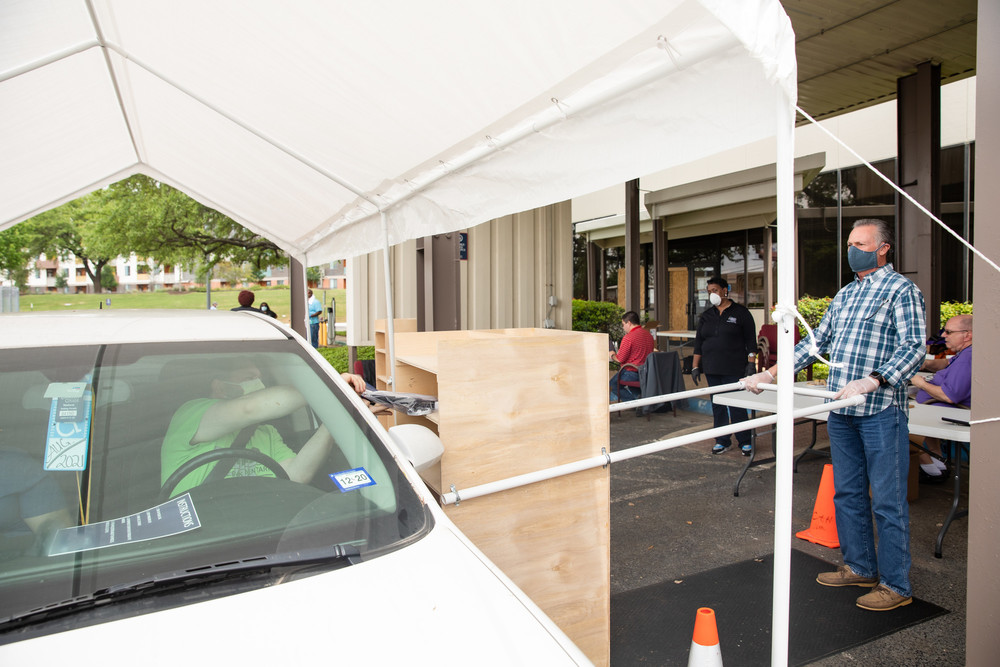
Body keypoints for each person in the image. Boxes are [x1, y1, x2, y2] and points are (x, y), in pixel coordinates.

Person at [743, 218, 925, 612]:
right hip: (840, 410)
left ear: (882, 248)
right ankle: (860, 566)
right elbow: (814, 344)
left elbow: (913, 348)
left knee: (888, 502)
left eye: (860, 242)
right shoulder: (845, 295)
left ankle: (896, 585)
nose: (852, 249)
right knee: (848, 492)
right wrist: (770, 372)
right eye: (850, 242)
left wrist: (874, 381)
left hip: (879, 410)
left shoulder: (901, 290)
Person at [161, 359, 367, 497]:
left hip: (257, 531)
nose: (259, 384)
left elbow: (296, 475)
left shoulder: (266, 433)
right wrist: (333, 388)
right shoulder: (190, 414)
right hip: (198, 539)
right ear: (220, 386)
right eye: (249, 379)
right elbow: (248, 408)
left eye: (260, 378)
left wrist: (337, 413)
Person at [691, 276, 758, 455]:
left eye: (715, 290)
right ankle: (722, 440)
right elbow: (699, 343)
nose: (712, 294)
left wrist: (751, 364)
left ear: (724, 290)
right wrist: (695, 366)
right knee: (718, 405)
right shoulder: (706, 316)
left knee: (736, 405)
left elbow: (751, 341)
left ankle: (745, 440)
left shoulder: (741, 313)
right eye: (709, 291)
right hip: (712, 368)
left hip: (735, 367)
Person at [909, 314, 972, 481]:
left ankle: (931, 468)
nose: (943, 335)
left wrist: (920, 383)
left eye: (949, 332)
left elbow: (949, 396)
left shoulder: (967, 359)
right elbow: (947, 363)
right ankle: (937, 460)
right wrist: (926, 364)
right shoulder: (965, 353)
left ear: (967, 335)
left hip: (949, 413)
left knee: (893, 422)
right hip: (938, 409)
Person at [609, 311, 654, 402]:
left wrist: (612, 355)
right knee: (633, 386)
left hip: (631, 372)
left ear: (628, 323)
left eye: (623, 324)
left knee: (613, 385)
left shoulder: (628, 338)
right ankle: (640, 400)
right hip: (646, 372)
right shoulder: (648, 335)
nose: (623, 327)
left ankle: (634, 403)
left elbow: (620, 359)